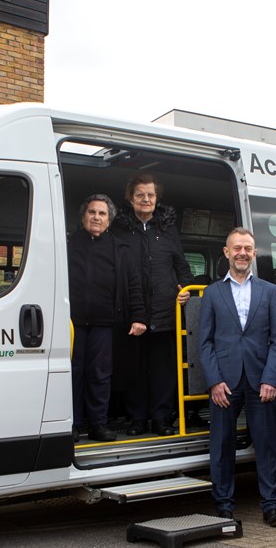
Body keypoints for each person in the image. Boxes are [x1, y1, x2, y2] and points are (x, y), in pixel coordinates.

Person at [199, 228, 276, 527]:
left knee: (267, 445)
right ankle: (224, 505)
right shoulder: (211, 293)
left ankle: (272, 506)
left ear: (254, 253)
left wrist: (270, 379)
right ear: (226, 252)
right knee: (222, 447)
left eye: (248, 248)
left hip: (260, 380)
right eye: (236, 248)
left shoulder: (269, 291)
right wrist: (213, 381)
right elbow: (205, 342)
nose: (242, 253)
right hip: (224, 382)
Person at [112, 174, 193, 436]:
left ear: (157, 198)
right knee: (135, 370)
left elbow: (181, 266)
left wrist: (186, 289)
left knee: (163, 371)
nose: (146, 199)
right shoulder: (119, 229)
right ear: (130, 198)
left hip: (165, 312)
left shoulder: (168, 230)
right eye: (140, 195)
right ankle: (137, 419)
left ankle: (161, 418)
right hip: (133, 314)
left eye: (151, 195)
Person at [68, 195, 146, 442]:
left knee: (100, 375)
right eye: (92, 212)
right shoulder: (67, 244)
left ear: (109, 221)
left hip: (106, 324)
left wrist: (139, 317)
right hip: (71, 323)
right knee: (72, 373)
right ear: (83, 217)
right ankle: (73, 424)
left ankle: (97, 425)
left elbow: (135, 285)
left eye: (102, 214)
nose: (96, 217)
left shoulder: (121, 249)